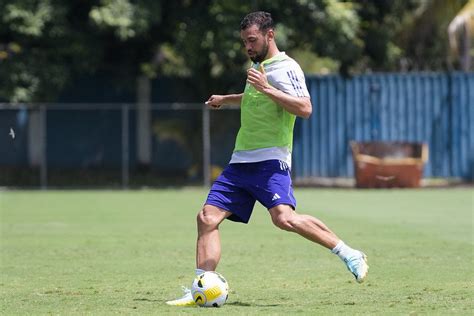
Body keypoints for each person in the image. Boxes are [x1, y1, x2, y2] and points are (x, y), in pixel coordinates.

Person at [166, 11, 368, 306]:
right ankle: (201, 285)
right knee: (207, 218)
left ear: (269, 35)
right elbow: (256, 97)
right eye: (244, 42)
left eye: (252, 40)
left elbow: (304, 108)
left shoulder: (286, 67)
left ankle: (348, 253)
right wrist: (227, 99)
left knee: (284, 219)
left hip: (271, 160)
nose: (247, 47)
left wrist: (267, 88)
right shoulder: (258, 67)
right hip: (240, 162)